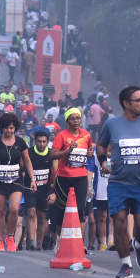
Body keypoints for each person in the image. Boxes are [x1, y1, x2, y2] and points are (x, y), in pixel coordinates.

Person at [97, 86, 140, 278]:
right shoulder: (112, 124)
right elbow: (101, 144)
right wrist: (103, 161)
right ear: (126, 103)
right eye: (139, 100)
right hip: (118, 182)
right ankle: (126, 264)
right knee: (119, 222)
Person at [0, 113, 34, 252]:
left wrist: (33, 179)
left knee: (14, 209)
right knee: (0, 211)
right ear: (1, 128)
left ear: (15, 128)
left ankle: (10, 237)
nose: (9, 131)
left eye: (11, 128)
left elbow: (28, 161)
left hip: (16, 181)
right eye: (6, 128)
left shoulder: (20, 142)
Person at [48, 106, 95, 248]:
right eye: (73, 118)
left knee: (80, 210)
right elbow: (53, 155)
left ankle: (78, 244)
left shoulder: (86, 135)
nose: (76, 121)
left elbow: (89, 154)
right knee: (61, 210)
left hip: (80, 177)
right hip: (63, 178)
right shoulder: (61, 136)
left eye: (78, 118)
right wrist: (68, 150)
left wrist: (89, 154)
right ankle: (59, 242)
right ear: (67, 121)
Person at [26, 129, 53, 251]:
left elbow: (55, 172)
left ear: (47, 142)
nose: (41, 144)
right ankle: (32, 241)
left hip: (45, 190)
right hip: (31, 189)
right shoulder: (29, 153)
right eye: (39, 141)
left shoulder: (51, 154)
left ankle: (39, 244)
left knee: (42, 217)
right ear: (35, 142)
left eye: (44, 142)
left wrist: (53, 191)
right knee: (31, 213)